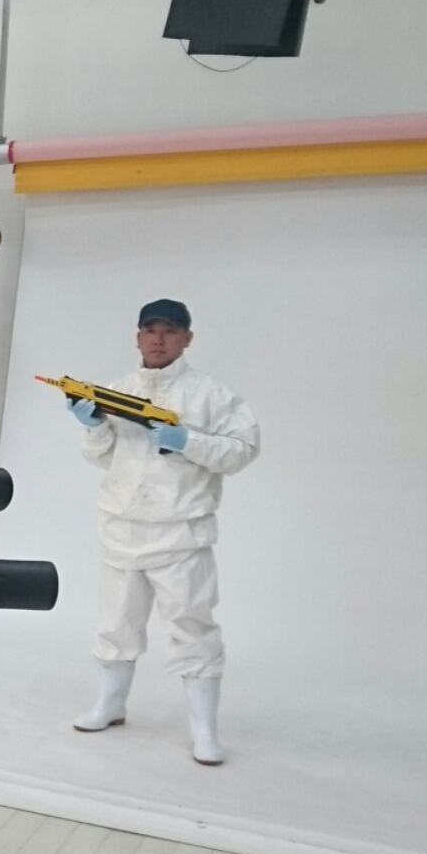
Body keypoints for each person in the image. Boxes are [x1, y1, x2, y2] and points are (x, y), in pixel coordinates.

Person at [66, 299, 259, 764]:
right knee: (116, 623)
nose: (158, 339)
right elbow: (102, 457)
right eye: (150, 330)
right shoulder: (119, 390)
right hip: (121, 528)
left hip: (181, 533)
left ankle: (204, 730)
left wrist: (189, 441)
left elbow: (242, 450)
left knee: (193, 629)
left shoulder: (211, 395)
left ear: (187, 338)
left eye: (170, 331)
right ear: (137, 337)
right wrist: (94, 427)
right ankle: (110, 704)